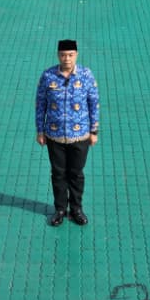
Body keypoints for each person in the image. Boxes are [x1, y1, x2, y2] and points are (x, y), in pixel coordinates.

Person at [35, 39, 100, 227]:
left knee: (76, 174)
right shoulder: (48, 76)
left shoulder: (86, 76)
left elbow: (94, 104)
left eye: (70, 55)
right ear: (58, 55)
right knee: (58, 174)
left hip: (80, 136)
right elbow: (40, 105)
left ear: (76, 55)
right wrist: (40, 131)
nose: (67, 59)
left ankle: (76, 209)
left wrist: (94, 131)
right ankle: (60, 210)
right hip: (54, 136)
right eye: (63, 55)